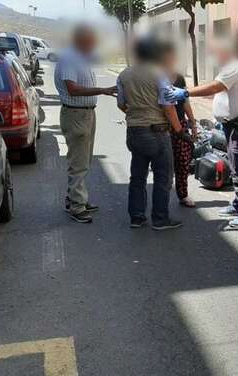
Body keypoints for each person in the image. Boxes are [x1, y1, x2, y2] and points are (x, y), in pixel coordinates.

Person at [165, 38, 238, 227]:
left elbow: (216, 87)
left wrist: (186, 92)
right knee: (235, 168)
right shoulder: (229, 67)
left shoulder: (235, 66)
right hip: (233, 126)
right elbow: (215, 89)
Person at [116, 37, 184, 231]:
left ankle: (136, 217)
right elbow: (167, 105)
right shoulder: (158, 73)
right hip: (157, 132)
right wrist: (179, 130)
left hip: (134, 132)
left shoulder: (124, 75)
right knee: (163, 177)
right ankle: (160, 219)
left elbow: (121, 104)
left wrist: (137, 113)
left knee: (137, 177)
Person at [54, 24, 116, 223]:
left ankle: (75, 198)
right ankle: (77, 207)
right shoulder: (70, 58)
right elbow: (72, 88)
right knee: (78, 163)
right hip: (76, 114)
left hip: (86, 114)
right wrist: (102, 90)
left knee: (84, 160)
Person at [160, 44, 198, 208]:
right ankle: (162, 198)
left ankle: (183, 195)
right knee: (165, 163)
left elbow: (185, 102)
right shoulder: (157, 78)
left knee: (183, 161)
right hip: (163, 126)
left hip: (181, 125)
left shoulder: (180, 78)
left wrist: (193, 122)